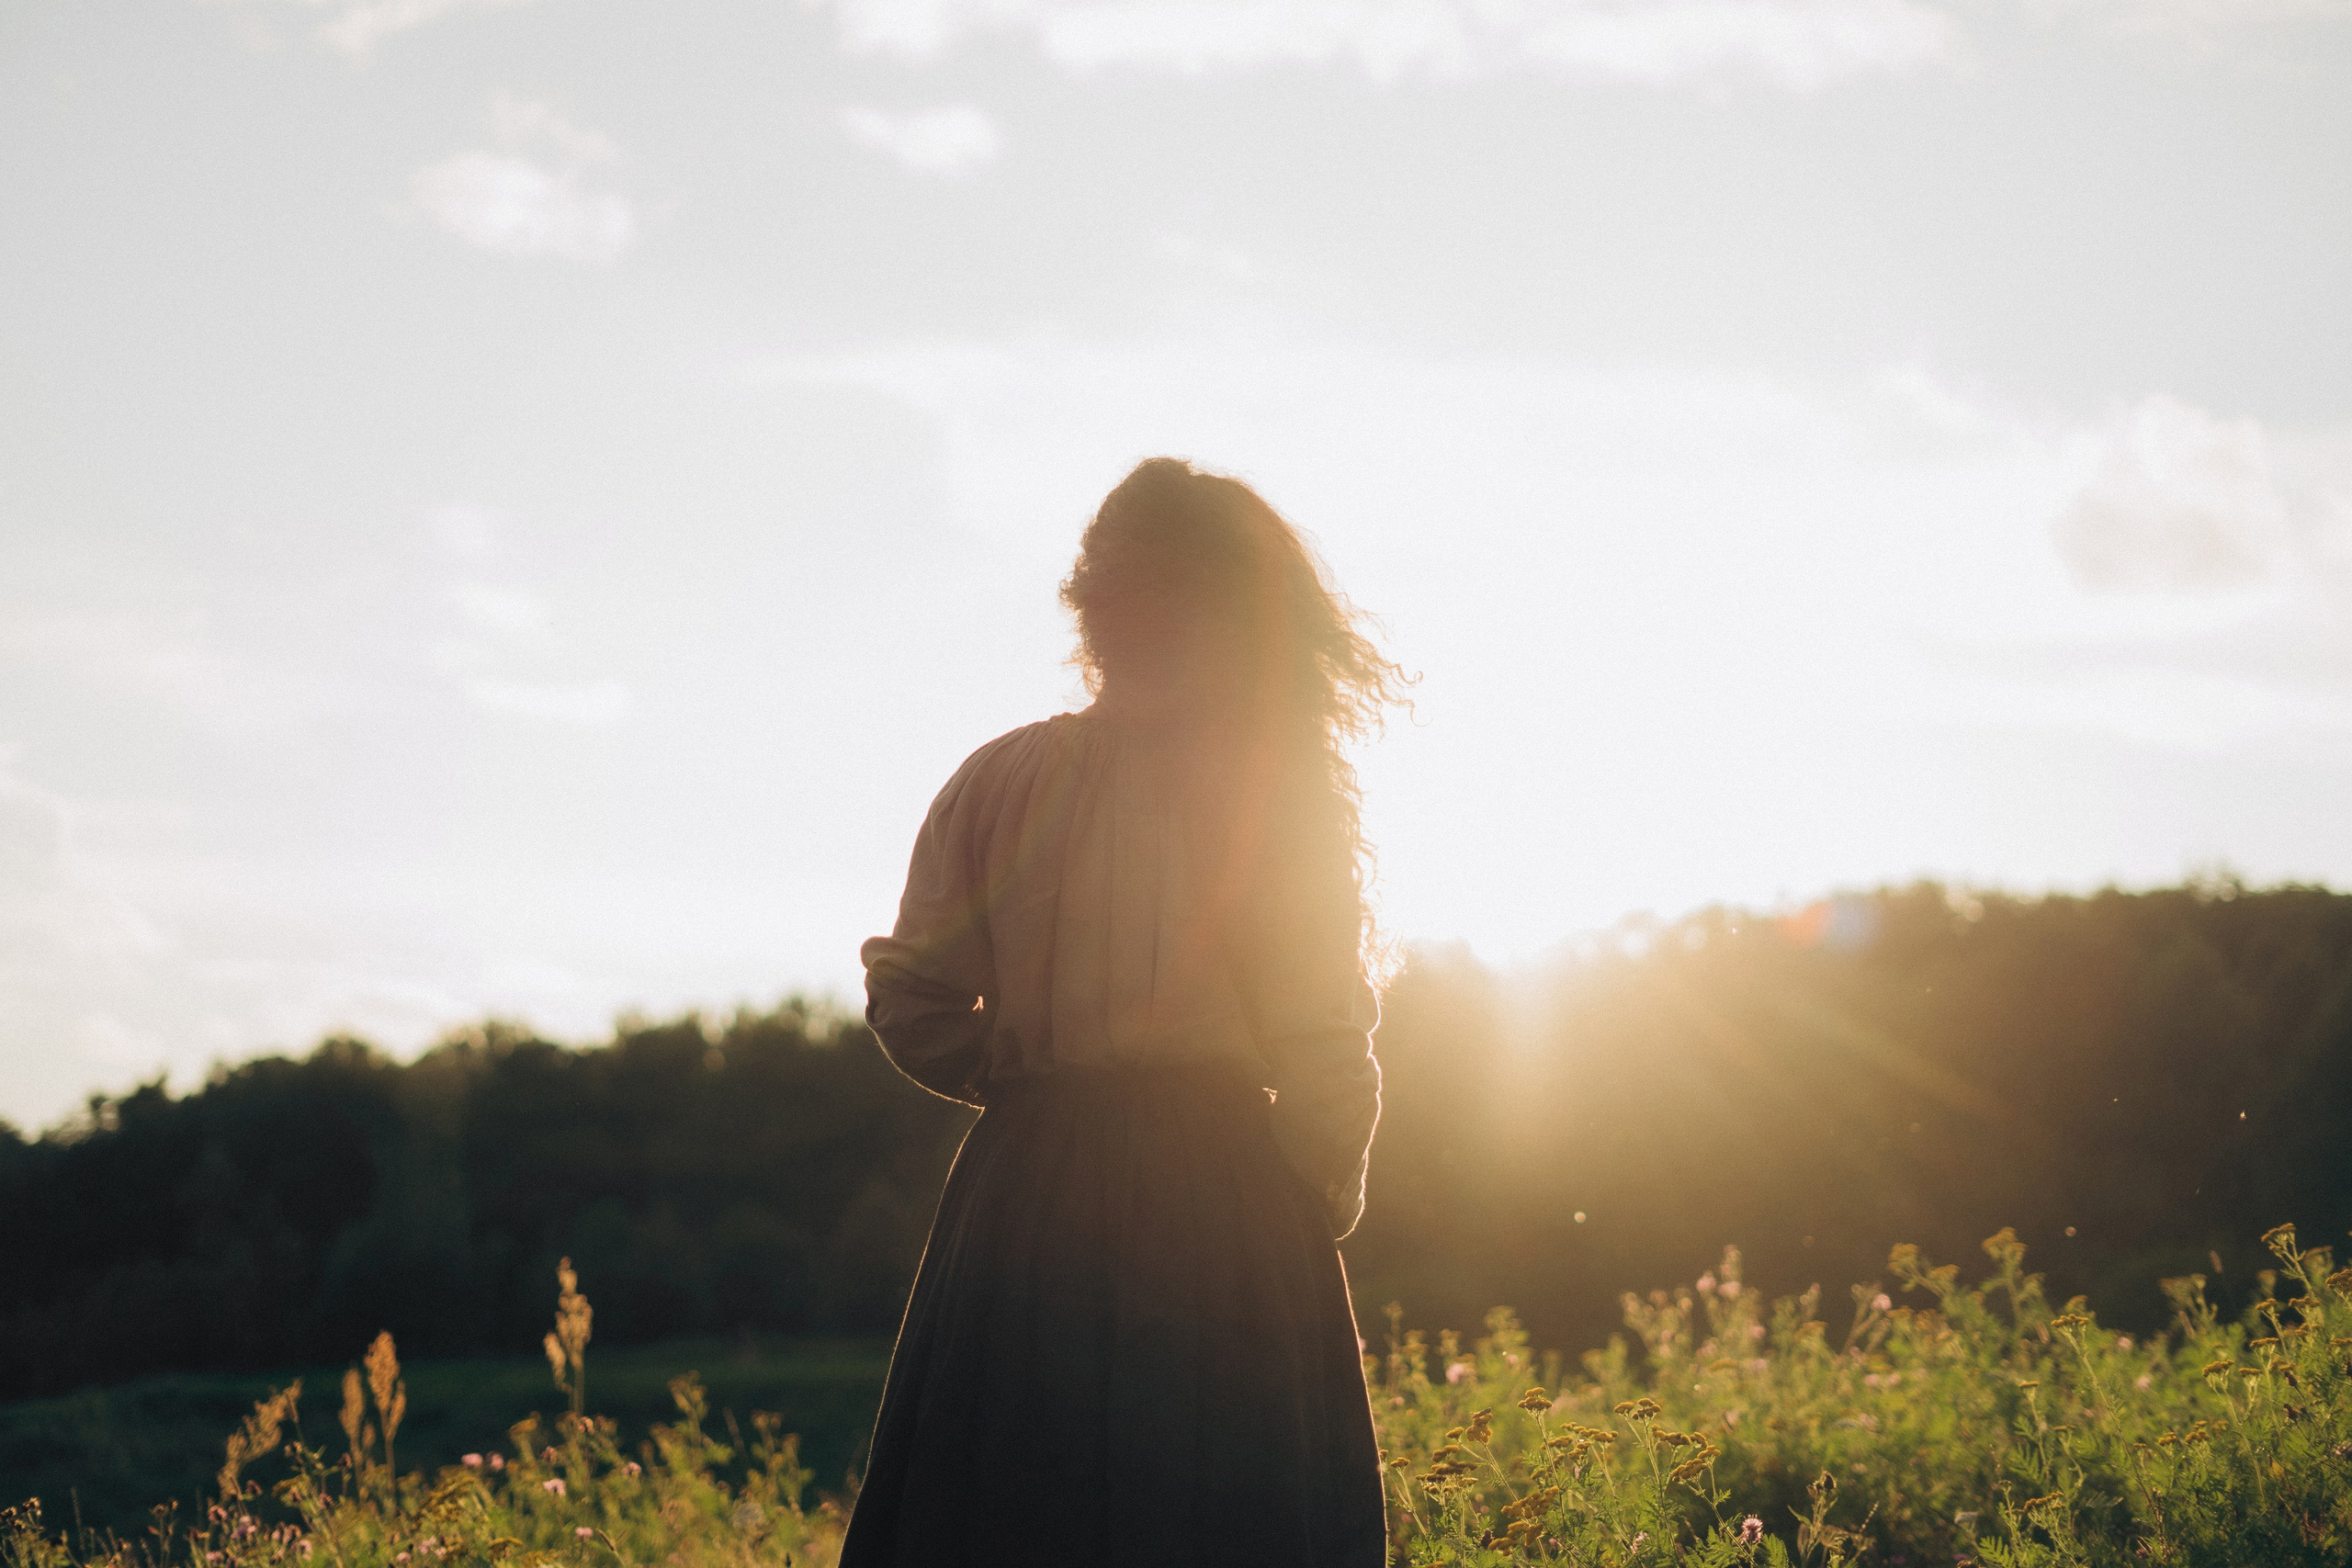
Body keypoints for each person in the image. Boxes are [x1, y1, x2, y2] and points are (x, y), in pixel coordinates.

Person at [840, 457, 1409, 1568]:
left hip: (1026, 1199)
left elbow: (909, 999)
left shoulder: (995, 778)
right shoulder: (1269, 793)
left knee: (1006, 1514)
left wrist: (1027, 1085)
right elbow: (1327, 1051)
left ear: (1097, 609)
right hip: (1224, 1201)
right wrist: (1302, 1212)